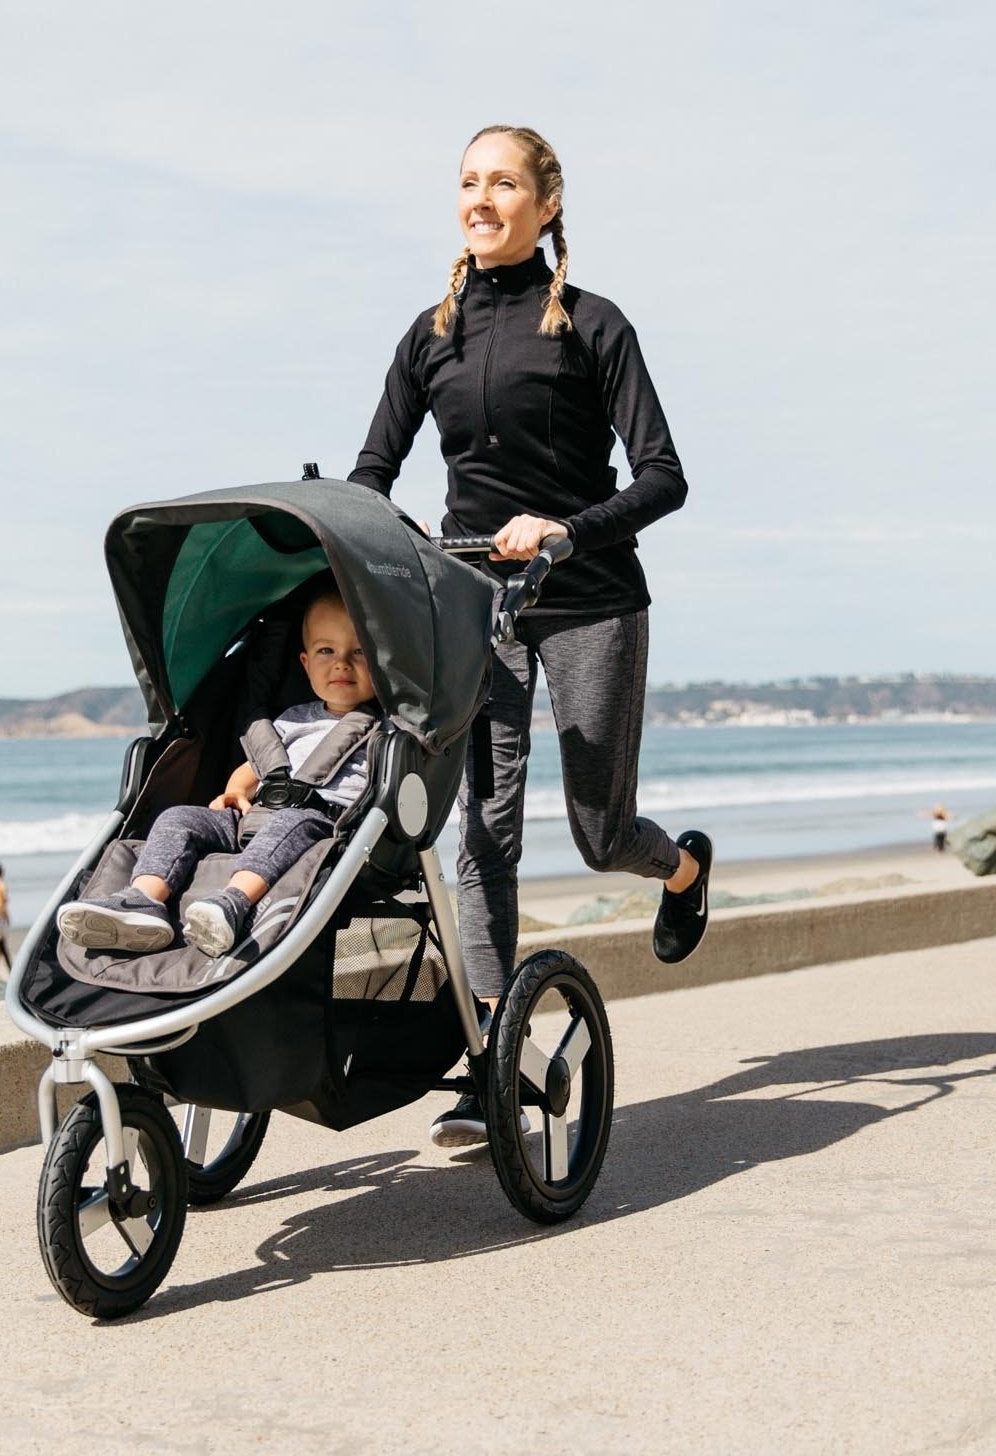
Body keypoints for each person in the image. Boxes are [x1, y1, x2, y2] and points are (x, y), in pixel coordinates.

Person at [350, 124, 712, 1147]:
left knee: (602, 836)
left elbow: (662, 476)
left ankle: (680, 868)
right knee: (483, 832)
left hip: (590, 595)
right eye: (467, 181)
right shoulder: (430, 335)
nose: (480, 196)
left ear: (545, 204)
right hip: (478, 606)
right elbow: (372, 470)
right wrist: (394, 533)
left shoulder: (594, 326)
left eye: (502, 181)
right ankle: (491, 1061)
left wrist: (563, 529)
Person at [55, 588, 377, 959]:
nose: (341, 663)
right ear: (304, 663)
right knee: (179, 818)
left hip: (321, 826)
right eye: (327, 651)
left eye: (359, 652)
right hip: (253, 819)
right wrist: (234, 791)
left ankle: (232, 902)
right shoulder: (290, 720)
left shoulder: (382, 729)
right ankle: (143, 897)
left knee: (293, 821)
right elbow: (258, 765)